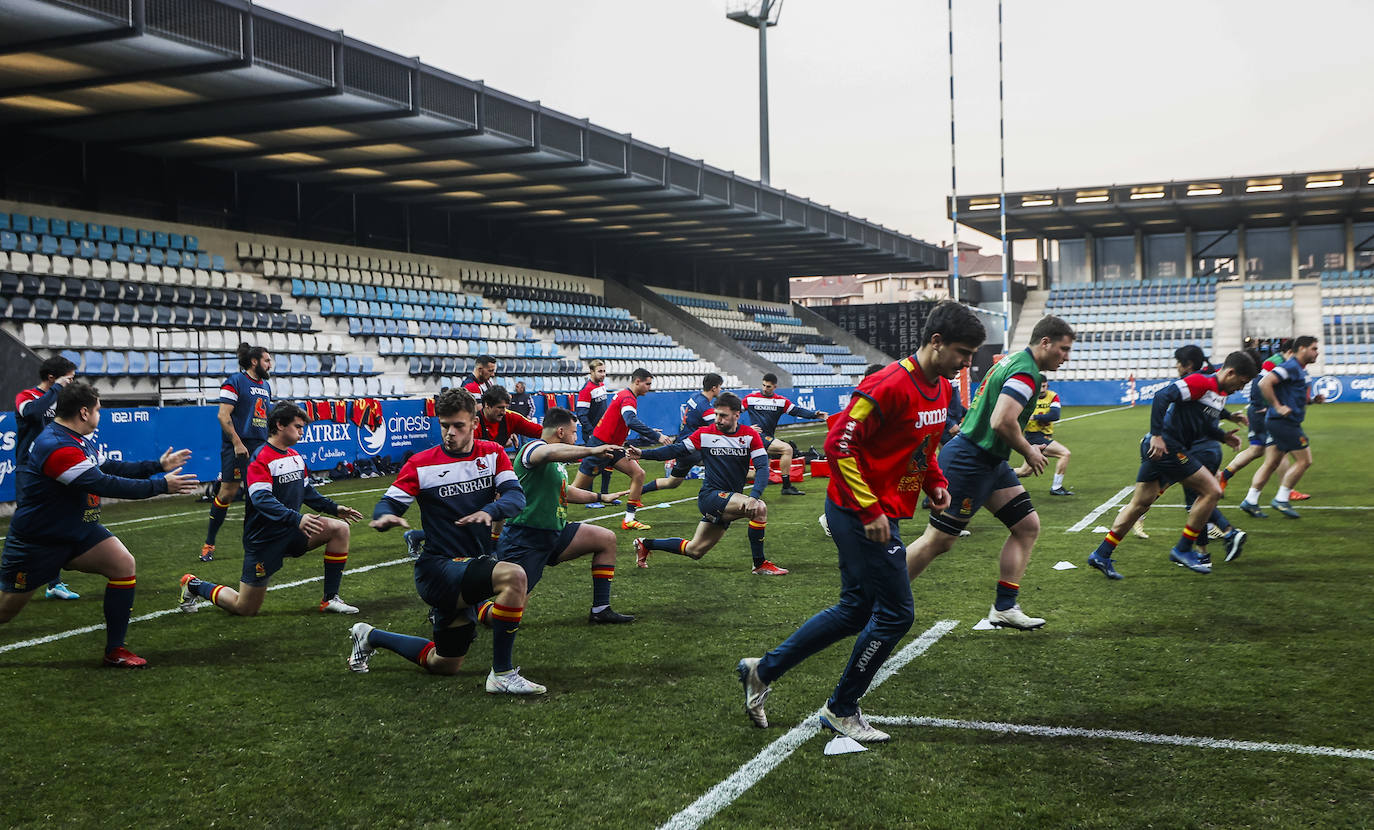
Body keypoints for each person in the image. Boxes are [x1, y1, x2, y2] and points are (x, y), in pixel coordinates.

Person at [735, 301, 984, 741]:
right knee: (896, 614)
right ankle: (841, 708)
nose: (968, 363)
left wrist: (935, 482)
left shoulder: (942, 390)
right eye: (963, 352)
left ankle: (763, 670)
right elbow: (838, 447)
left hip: (885, 509)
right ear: (936, 342)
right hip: (858, 510)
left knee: (855, 610)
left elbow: (921, 446)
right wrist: (869, 509)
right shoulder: (887, 385)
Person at [348, 388, 543, 694]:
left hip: (470, 567)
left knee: (445, 663)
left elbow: (516, 497)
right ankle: (502, 674)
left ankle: (370, 635)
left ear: (474, 423)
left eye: (458, 426)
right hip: (438, 569)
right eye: (444, 425)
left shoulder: (493, 453)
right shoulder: (421, 463)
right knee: (515, 576)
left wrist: (489, 510)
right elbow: (389, 503)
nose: (450, 433)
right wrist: (385, 516)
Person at [1, 381, 199, 667]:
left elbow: (110, 467)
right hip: (40, 541)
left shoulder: (76, 438)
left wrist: (157, 466)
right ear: (84, 412)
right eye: (98, 409)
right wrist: (160, 486)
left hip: (78, 531)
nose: (100, 414)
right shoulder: (56, 446)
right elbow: (105, 483)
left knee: (123, 565)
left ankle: (115, 650)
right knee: (5, 612)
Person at [902, 316, 1075, 630]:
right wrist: (1029, 450)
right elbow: (1002, 421)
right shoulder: (1026, 372)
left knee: (1026, 526)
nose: (1066, 356)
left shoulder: (1014, 362)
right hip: (971, 460)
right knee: (937, 541)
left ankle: (1004, 608)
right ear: (1045, 342)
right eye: (1063, 349)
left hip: (989, 460)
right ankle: (881, 596)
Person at [178, 402, 365, 616]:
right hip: (264, 541)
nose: (302, 431)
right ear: (280, 425)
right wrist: (297, 519)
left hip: (293, 531)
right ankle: (193, 585)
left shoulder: (294, 456)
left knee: (340, 529)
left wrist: (335, 508)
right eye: (298, 426)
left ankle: (330, 599)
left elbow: (307, 492)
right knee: (245, 608)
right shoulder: (261, 458)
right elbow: (261, 499)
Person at [1086, 351, 1257, 579]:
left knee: (1140, 504)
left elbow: (1201, 423)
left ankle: (1101, 554)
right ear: (1231, 372)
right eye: (1242, 382)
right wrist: (1157, 435)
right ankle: (1183, 549)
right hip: (1167, 448)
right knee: (1212, 491)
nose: (1241, 388)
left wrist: (1222, 436)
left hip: (1162, 449)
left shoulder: (1218, 393)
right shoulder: (1200, 382)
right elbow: (1161, 396)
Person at [478, 406, 634, 626]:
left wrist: (601, 497)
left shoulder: (554, 462)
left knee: (606, 538)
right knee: (502, 618)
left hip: (553, 534)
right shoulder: (534, 448)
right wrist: (591, 450)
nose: (575, 437)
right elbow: (548, 452)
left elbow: (565, 490)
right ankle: (474, 607)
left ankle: (601, 609)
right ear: (560, 432)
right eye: (573, 432)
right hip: (526, 539)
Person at [631, 392, 785, 575]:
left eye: (723, 415)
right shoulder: (705, 433)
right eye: (716, 414)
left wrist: (754, 494)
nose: (718, 419)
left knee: (695, 550)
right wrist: (643, 454)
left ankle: (645, 543)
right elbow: (675, 449)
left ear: (737, 415)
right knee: (759, 508)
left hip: (728, 500)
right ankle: (759, 564)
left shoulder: (750, 435)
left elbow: (762, 468)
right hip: (710, 497)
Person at [569, 368, 672, 531]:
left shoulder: (627, 396)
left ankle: (629, 519)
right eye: (648, 384)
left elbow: (623, 423)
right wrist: (655, 436)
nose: (649, 388)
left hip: (614, 447)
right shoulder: (627, 397)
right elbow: (630, 420)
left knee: (639, 473)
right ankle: (547, 514)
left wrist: (648, 432)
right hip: (600, 447)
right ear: (637, 381)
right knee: (573, 491)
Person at [14, 354, 81, 600]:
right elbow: (32, 414)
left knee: (57, 522)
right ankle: (17, 580)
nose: (71, 383)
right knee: (29, 526)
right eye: (69, 379)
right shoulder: (26, 397)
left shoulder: (61, 399)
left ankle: (54, 583)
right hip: (29, 470)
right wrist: (54, 391)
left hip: (54, 468)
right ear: (53, 378)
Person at [200, 342, 273, 563]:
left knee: (257, 494)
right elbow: (223, 415)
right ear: (254, 362)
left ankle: (254, 543)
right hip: (238, 446)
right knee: (228, 493)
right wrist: (237, 443)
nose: (270, 364)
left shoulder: (266, 387)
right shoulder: (235, 382)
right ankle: (209, 543)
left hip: (259, 446)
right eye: (267, 360)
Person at [1239, 336, 1323, 520]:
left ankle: (1250, 501)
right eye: (1314, 348)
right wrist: (1277, 406)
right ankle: (1282, 498)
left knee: (1271, 463)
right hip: (1284, 423)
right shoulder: (1290, 366)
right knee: (1304, 461)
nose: (1317, 352)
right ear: (1301, 348)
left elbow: (1293, 395)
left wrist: (1312, 400)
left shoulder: (1299, 369)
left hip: (1280, 422)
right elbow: (1264, 382)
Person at [1221, 342, 1308, 501]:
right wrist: (1261, 404)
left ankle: (1224, 476)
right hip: (1264, 411)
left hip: (1260, 410)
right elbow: (1260, 380)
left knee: (1257, 450)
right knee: (1280, 450)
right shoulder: (1275, 361)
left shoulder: (1283, 363)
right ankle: (1286, 491)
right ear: (1290, 351)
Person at [612, 372, 722, 499]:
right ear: (714, 388)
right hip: (693, 448)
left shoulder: (695, 397)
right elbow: (719, 428)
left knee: (672, 482)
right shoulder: (706, 408)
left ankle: (637, 490)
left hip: (683, 444)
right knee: (723, 468)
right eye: (720, 387)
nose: (720, 390)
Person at [744, 374, 829, 496]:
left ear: (774, 387)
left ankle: (731, 476)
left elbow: (797, 411)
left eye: (768, 386)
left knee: (762, 473)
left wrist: (815, 414)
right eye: (763, 385)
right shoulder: (750, 399)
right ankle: (786, 486)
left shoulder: (781, 401)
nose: (764, 388)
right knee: (787, 449)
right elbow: (734, 411)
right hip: (758, 436)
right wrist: (746, 429)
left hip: (768, 437)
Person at [1013, 381, 1073, 495]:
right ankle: (1056, 487)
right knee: (1065, 453)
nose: (1042, 389)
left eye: (1044, 386)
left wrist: (1035, 417)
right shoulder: (1029, 397)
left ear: (1047, 386)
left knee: (1024, 471)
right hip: (1033, 436)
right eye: (1040, 386)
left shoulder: (1052, 396)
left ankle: (997, 477)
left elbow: (1055, 415)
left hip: (1042, 436)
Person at [575, 359, 616, 506]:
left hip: (604, 432)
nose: (603, 374)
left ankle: (605, 494)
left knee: (607, 461)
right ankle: (590, 499)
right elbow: (581, 413)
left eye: (604, 371)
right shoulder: (586, 389)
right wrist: (591, 432)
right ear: (591, 372)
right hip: (593, 435)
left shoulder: (602, 385)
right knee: (592, 464)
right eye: (600, 371)